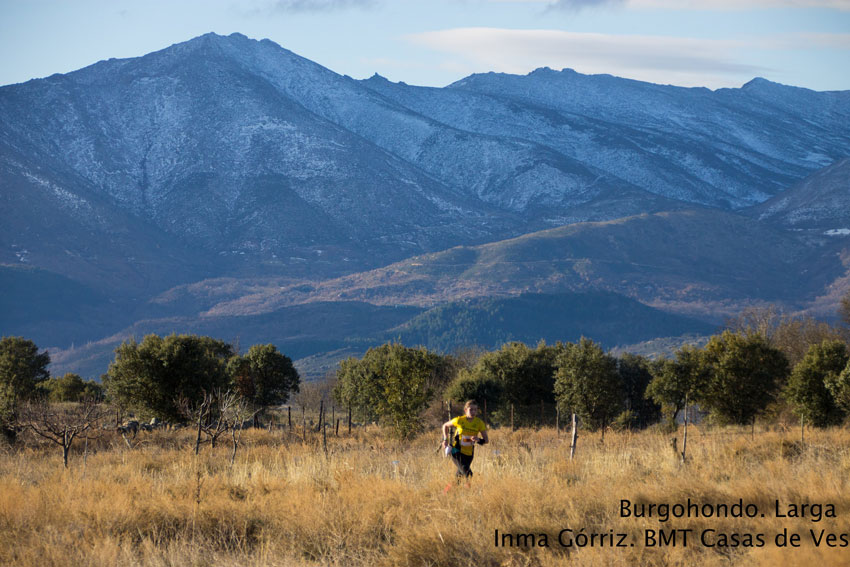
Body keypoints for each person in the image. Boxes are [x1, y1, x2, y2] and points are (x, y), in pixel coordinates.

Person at [441, 400, 489, 480]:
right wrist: (445, 439)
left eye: (475, 410)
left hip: (469, 454)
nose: (473, 412)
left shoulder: (479, 423)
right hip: (456, 451)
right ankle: (471, 492)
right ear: (466, 410)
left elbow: (486, 440)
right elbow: (445, 425)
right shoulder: (459, 420)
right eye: (471, 410)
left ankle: (448, 491)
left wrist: (478, 439)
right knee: (468, 474)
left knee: (459, 477)